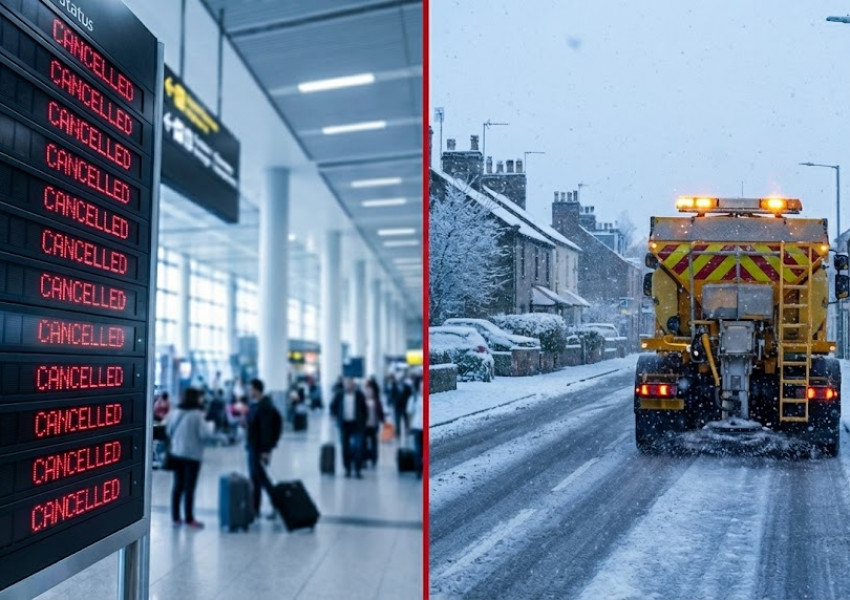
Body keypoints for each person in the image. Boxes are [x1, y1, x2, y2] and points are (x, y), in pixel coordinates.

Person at [166, 388, 219, 528]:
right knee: (189, 487)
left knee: (177, 486)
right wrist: (211, 426)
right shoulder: (197, 415)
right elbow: (205, 434)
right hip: (192, 456)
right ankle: (189, 518)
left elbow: (168, 430)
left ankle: (176, 517)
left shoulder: (175, 412)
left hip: (177, 453)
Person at [246, 378, 283, 518]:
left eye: (251, 389)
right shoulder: (256, 405)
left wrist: (266, 451)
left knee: (262, 479)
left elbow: (265, 430)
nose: (249, 392)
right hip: (252, 446)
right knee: (255, 479)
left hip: (258, 449)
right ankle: (256, 508)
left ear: (256, 390)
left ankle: (277, 505)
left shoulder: (264, 407)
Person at [330, 377, 367, 478]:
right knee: (345, 448)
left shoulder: (359, 395)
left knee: (358, 447)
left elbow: (364, 409)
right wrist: (333, 415)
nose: (349, 385)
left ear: (353, 384)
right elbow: (332, 406)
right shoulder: (339, 394)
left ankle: (358, 469)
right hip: (344, 425)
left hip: (357, 425)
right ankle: (347, 469)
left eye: (351, 383)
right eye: (347, 383)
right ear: (344, 384)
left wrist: (364, 422)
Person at [362, 377, 386, 467]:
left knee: (374, 443)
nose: (368, 392)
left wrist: (383, 421)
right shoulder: (362, 401)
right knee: (363, 443)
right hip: (364, 425)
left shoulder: (376, 401)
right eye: (366, 391)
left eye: (370, 391)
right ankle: (364, 459)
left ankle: (373, 459)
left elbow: (380, 412)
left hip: (374, 425)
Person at [389, 372, 412, 438]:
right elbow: (391, 396)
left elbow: (410, 396)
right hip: (397, 407)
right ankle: (398, 433)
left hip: (405, 406)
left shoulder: (407, 387)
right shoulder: (394, 386)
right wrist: (392, 402)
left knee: (406, 420)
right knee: (397, 420)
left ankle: (407, 431)